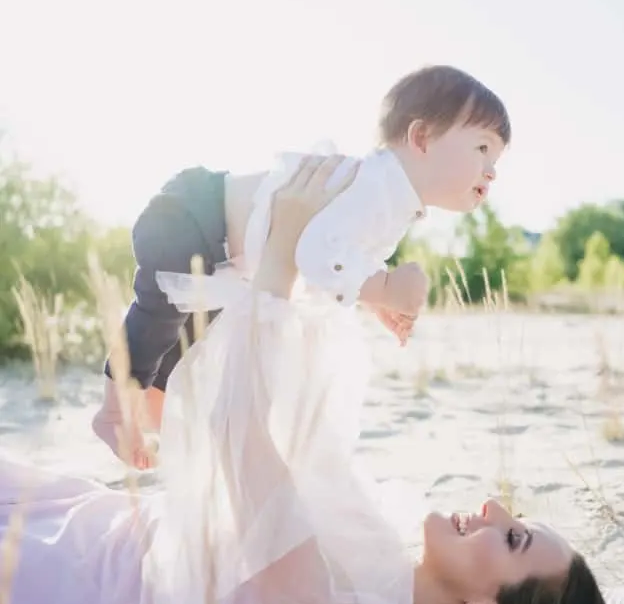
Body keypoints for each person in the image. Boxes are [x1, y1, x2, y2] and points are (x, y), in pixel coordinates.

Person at [0, 158, 624, 604]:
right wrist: (345, 281)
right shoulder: (374, 575)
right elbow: (284, 430)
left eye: (513, 537)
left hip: (67, 589)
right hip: (92, 530)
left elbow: (236, 429)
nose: (494, 509)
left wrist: (281, 255)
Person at [92, 64, 510, 469]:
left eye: (497, 159)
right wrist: (382, 286)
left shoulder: (398, 203)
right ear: (421, 137)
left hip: (227, 258)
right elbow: (314, 254)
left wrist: (375, 298)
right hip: (192, 213)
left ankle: (149, 406)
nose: (491, 171)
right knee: (159, 317)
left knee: (190, 332)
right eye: (482, 148)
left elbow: (347, 255)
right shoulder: (375, 187)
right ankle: (112, 413)